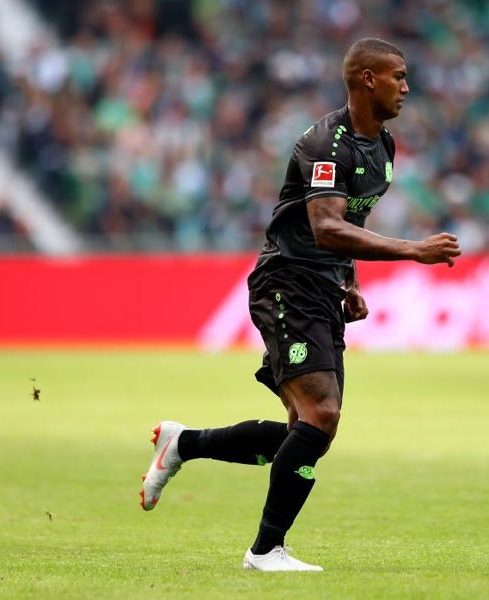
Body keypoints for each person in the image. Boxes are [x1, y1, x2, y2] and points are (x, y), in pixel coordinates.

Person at [139, 38, 461, 571]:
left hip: (322, 287)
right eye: (398, 76)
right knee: (322, 415)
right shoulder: (325, 142)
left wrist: (349, 281)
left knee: (305, 430)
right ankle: (265, 551)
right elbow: (325, 225)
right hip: (286, 280)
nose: (407, 87)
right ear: (367, 80)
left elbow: (348, 225)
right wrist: (413, 251)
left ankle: (184, 443)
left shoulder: (384, 146)